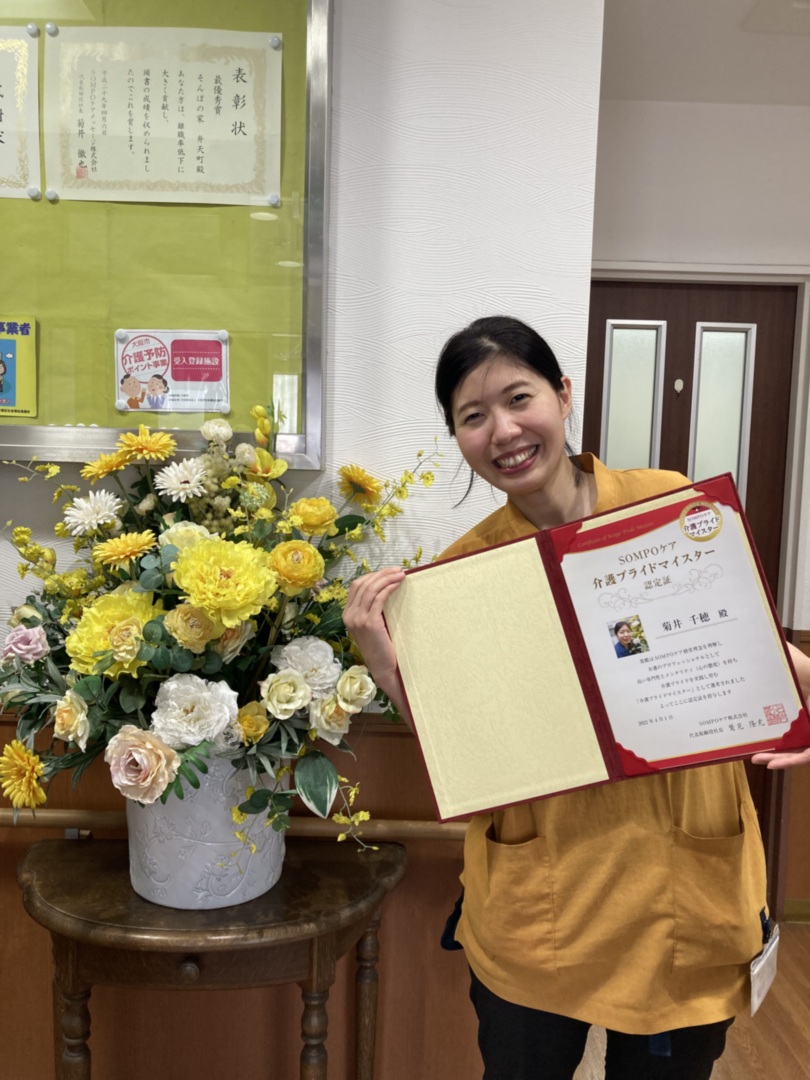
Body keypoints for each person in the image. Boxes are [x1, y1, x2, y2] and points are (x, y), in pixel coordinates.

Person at [343, 315, 810, 1080]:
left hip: (682, 881)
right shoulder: (464, 574)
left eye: (518, 398)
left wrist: (797, 702)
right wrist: (383, 657)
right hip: (543, 897)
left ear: (562, 395)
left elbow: (740, 636)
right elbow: (464, 744)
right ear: (457, 437)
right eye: (473, 416)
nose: (503, 430)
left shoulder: (667, 505)